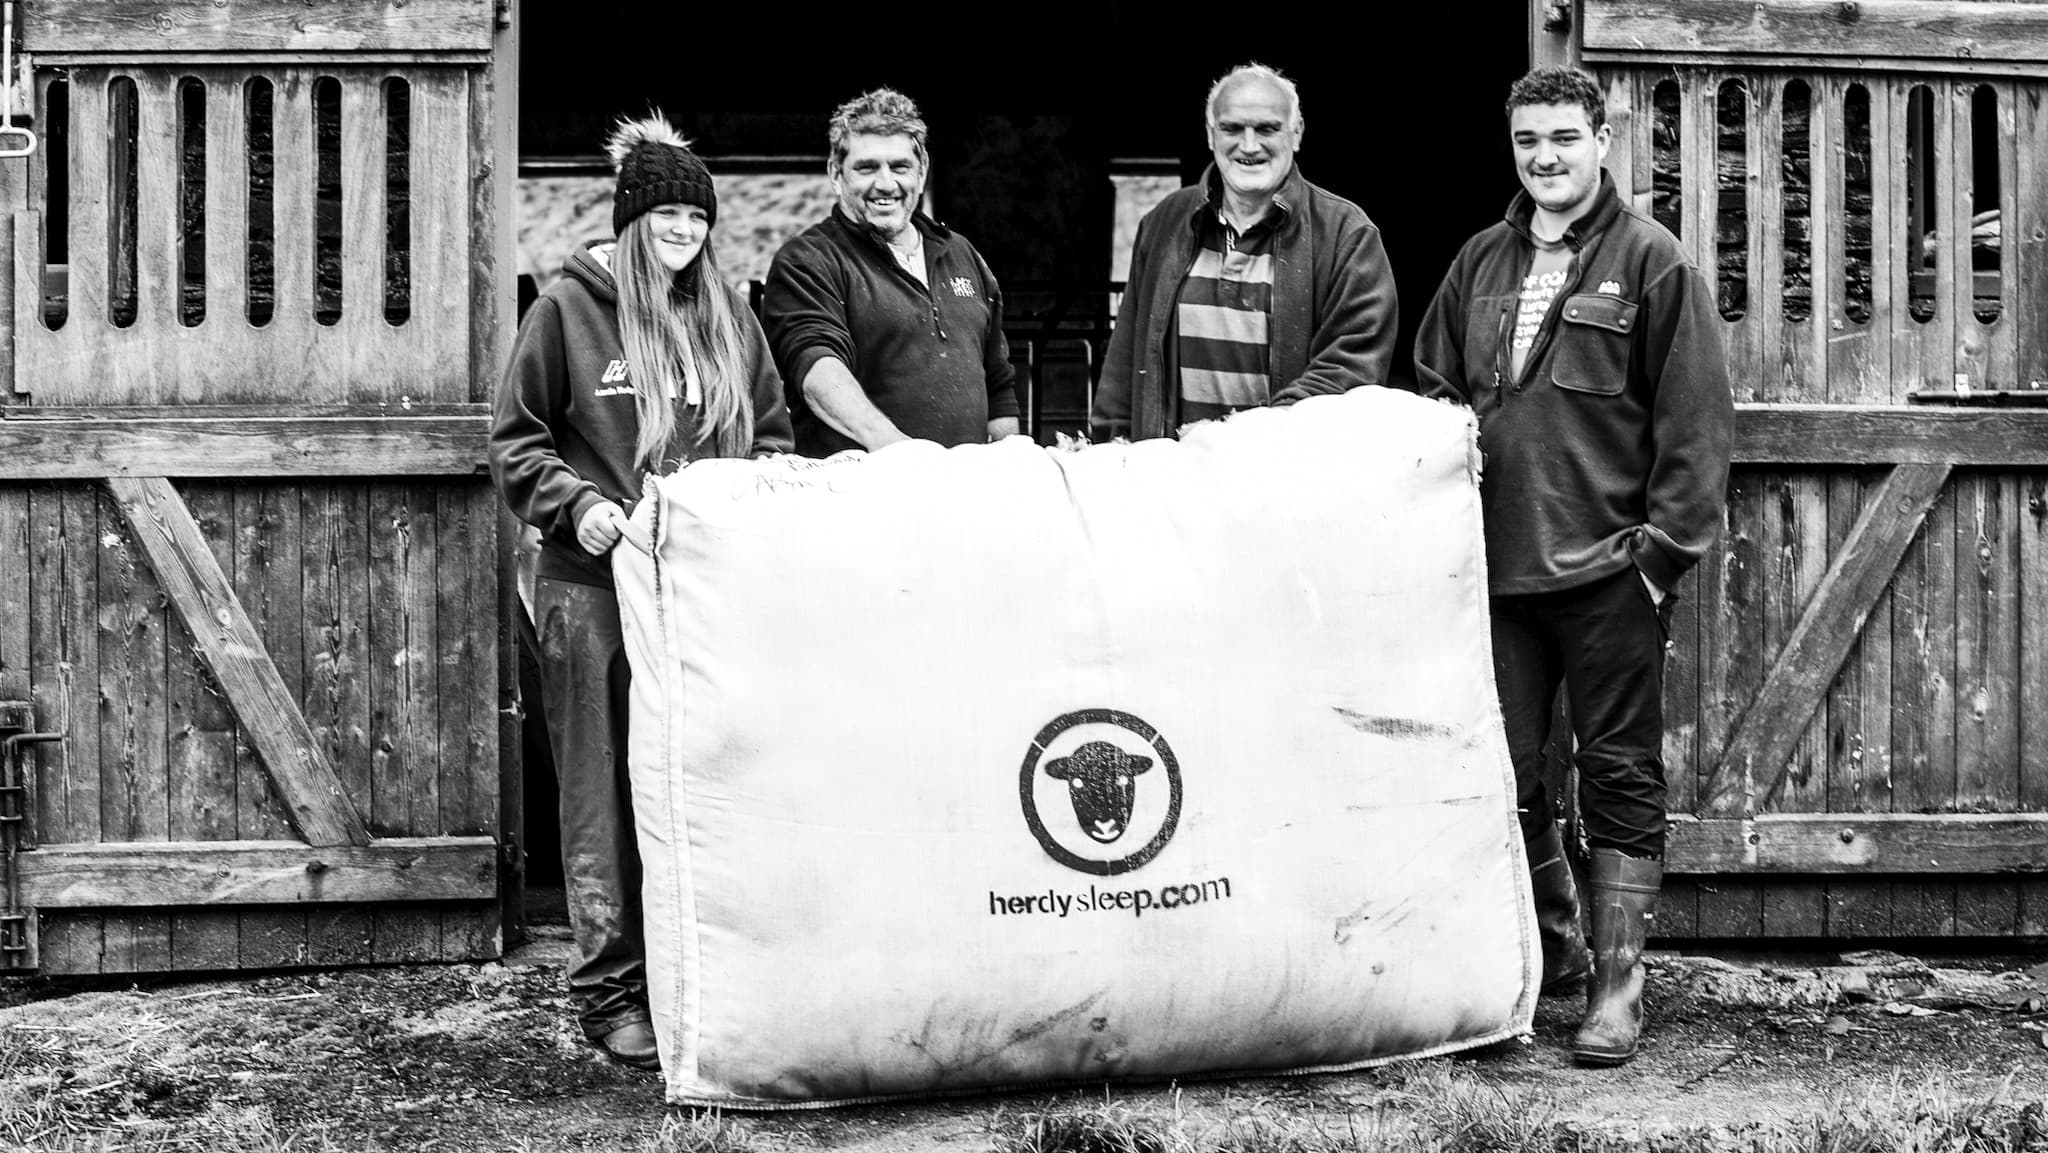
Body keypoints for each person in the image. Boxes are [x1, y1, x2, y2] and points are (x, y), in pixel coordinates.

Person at [1415, 66, 1732, 1065]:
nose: (1542, 158)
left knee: (1619, 776)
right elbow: (1431, 394)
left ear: (1603, 137)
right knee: (1503, 776)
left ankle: (1615, 986)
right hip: (1496, 581)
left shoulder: (1653, 264)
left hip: (1607, 577)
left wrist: (1658, 559)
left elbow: (1693, 430)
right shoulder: (1477, 262)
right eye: (1525, 142)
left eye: (1561, 137)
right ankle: (1549, 949)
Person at [489, 114, 793, 1069]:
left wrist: (747, 502)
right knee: (601, 790)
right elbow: (517, 440)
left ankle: (699, 979)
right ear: (630, 220)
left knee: (705, 781)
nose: (681, 229)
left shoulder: (728, 316)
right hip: (594, 588)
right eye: (663, 212)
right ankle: (612, 991)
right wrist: (573, 505)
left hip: (705, 593)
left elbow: (775, 434)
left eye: (695, 214)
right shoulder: (568, 312)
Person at [1090, 63, 1397, 441]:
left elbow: (1351, 369)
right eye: (1232, 129)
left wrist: (1244, 449)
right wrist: (1113, 448)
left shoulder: (1346, 233)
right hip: (1175, 482)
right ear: (1210, 134)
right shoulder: (1162, 223)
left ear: (1296, 133)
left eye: (1267, 128)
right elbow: (1125, 363)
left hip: (1286, 480)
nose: (1249, 146)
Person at [761, 87, 1020, 456]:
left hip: (961, 494)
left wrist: (1008, 464)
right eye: (866, 168)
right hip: (858, 495)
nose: (885, 184)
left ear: (923, 170)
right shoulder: (807, 260)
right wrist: (902, 455)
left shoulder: (961, 253)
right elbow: (817, 371)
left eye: (900, 167)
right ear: (836, 174)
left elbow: (998, 384)